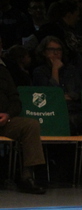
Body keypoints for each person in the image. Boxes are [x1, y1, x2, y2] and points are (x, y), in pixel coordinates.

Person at [0, 35, 46, 194]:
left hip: (4, 120)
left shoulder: (3, 71)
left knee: (30, 125)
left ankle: (27, 177)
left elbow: (15, 100)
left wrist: (8, 114)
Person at [32, 35, 82, 134]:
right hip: (50, 110)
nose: (56, 53)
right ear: (44, 52)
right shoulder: (39, 72)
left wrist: (69, 96)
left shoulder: (71, 70)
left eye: (59, 50)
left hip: (73, 108)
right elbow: (50, 96)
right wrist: (55, 69)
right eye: (51, 49)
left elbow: (80, 91)